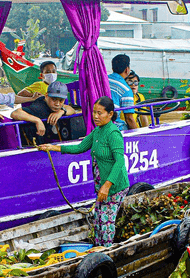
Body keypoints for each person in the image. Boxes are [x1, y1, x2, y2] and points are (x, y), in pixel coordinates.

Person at [38, 96, 129, 246]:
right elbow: (80, 147)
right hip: (102, 186)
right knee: (98, 219)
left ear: (110, 114)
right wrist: (53, 148)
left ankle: (106, 252)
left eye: (100, 113)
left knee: (106, 222)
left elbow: (119, 162)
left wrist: (107, 186)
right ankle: (99, 248)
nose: (95, 116)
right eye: (94, 112)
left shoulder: (113, 134)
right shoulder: (98, 131)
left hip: (114, 186)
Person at [11, 81, 76, 145]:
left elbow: (72, 110)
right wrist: (37, 120)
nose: (57, 104)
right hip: (30, 145)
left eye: (61, 100)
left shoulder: (55, 106)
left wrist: (61, 112)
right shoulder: (38, 108)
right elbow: (15, 113)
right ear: (46, 96)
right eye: (54, 99)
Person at [108, 54, 138, 130]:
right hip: (114, 126)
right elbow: (129, 118)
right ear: (127, 70)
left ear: (112, 68)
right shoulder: (126, 90)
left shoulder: (104, 80)